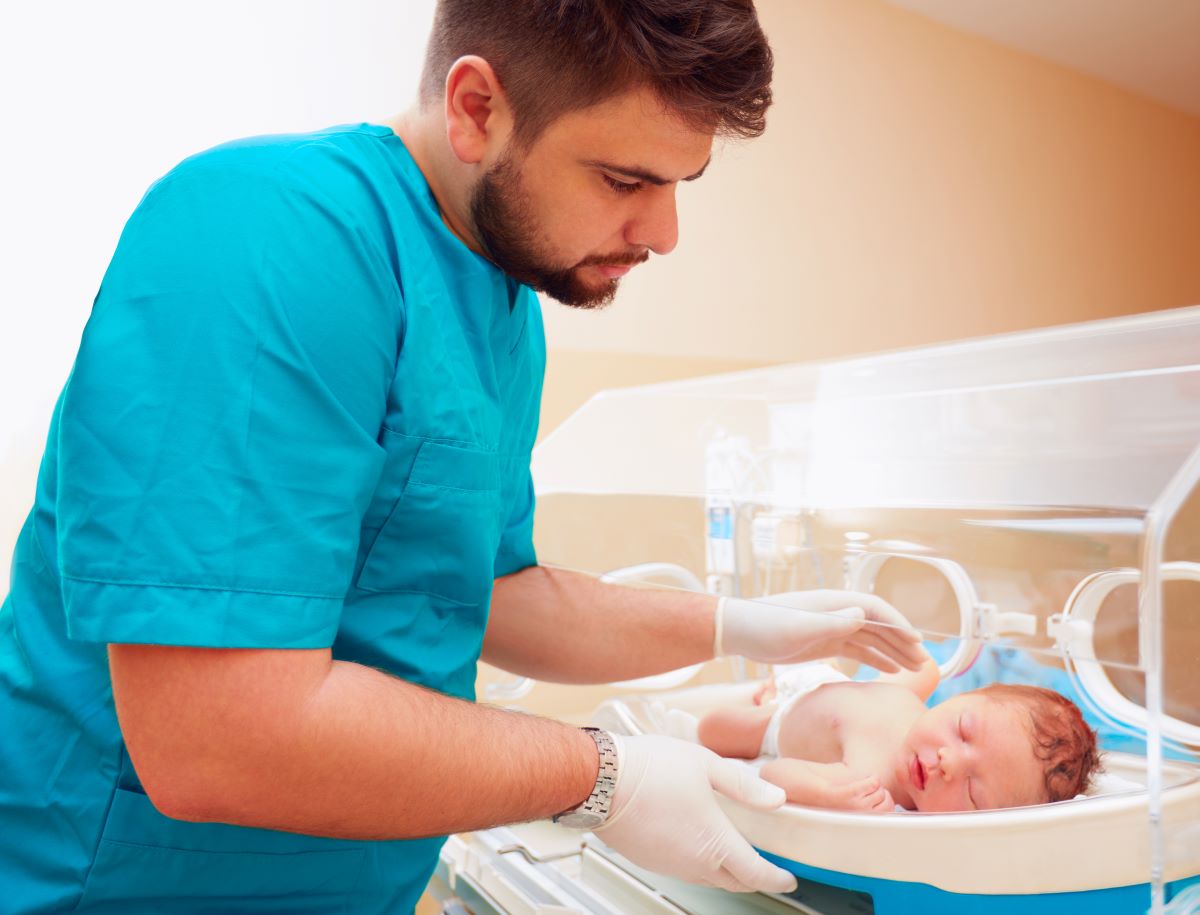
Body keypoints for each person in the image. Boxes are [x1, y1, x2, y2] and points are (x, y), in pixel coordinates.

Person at [0, 2, 929, 912]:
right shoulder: (265, 233)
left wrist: (735, 624)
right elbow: (216, 736)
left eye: (679, 183)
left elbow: (490, 593)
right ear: (477, 107)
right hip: (132, 884)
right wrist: (602, 775)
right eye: (624, 180)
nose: (664, 232)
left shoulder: (506, 299)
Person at [697, 659, 1102, 813]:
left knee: (710, 728)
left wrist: (825, 794)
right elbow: (918, 664)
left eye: (974, 792)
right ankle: (785, 677)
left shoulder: (870, 780)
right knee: (924, 669)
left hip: (785, 718)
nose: (950, 762)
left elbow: (776, 774)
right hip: (835, 680)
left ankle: (768, 697)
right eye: (963, 730)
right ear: (962, 696)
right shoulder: (916, 712)